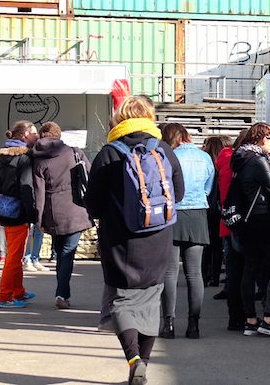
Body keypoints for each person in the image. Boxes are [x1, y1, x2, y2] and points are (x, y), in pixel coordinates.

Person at [86, 95, 184, 385]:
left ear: (120, 118)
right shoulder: (163, 149)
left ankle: (134, 359)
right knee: (151, 300)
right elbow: (177, 193)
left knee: (121, 300)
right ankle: (144, 365)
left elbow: (93, 202)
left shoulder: (109, 152)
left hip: (119, 239)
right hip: (159, 236)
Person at [231, 122, 270, 337]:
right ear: (262, 138)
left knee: (250, 268)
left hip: (247, 221)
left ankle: (250, 320)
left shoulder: (241, 157)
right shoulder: (258, 160)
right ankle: (269, 318)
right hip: (263, 218)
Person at [159, 123, 214, 339]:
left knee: (170, 273)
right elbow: (208, 188)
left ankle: (168, 324)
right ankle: (194, 325)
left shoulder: (168, 157)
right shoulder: (205, 157)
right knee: (194, 273)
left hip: (172, 213)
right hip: (198, 213)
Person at [31, 121, 94, 310]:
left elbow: (39, 193)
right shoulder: (74, 152)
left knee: (61, 253)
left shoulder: (38, 159)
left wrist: (39, 219)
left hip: (52, 212)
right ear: (59, 135)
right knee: (67, 253)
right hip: (75, 210)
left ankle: (61, 290)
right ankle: (62, 293)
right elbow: (90, 175)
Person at [0, 120, 39, 309]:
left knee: (15, 253)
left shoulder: (2, 156)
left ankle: (18, 291)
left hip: (3, 209)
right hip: (19, 211)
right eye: (34, 132)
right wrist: (33, 213)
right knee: (14, 256)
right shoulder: (25, 158)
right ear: (26, 134)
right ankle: (3, 296)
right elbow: (27, 188)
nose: (37, 135)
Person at [214, 130, 246, 330]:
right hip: (240, 222)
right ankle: (240, 316)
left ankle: (235, 317)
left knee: (235, 271)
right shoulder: (239, 163)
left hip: (227, 220)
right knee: (242, 272)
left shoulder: (225, 161)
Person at [201, 135, 230, 289]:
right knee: (218, 245)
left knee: (207, 244)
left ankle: (205, 275)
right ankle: (215, 276)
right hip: (220, 208)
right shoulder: (223, 165)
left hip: (207, 207)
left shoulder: (207, 165)